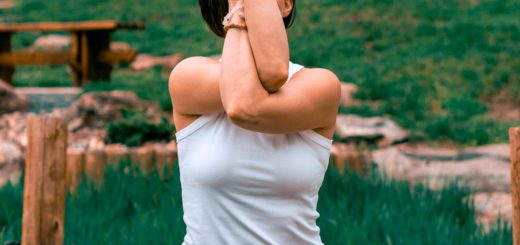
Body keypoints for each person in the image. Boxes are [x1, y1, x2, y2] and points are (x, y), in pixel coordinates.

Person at [168, 0, 341, 243]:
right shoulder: (188, 77)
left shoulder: (322, 86)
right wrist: (242, 12)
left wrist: (238, 11)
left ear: (287, 5)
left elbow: (257, 94)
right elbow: (242, 99)